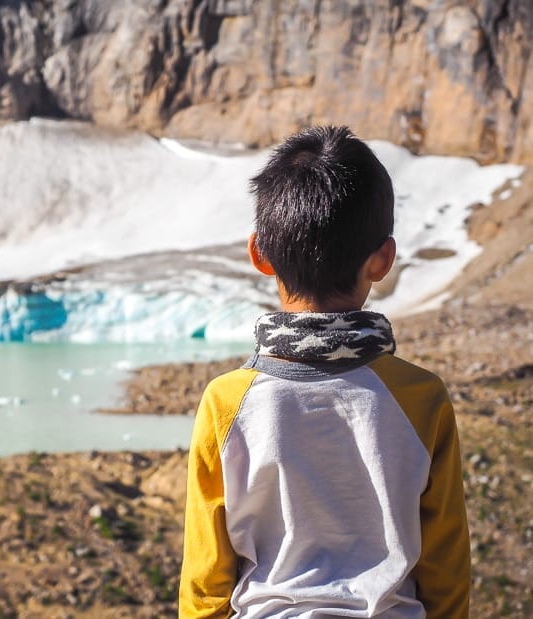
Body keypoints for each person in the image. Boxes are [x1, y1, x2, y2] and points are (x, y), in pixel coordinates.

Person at [178, 126, 470, 618]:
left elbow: (206, 582)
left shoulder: (226, 403)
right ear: (382, 260)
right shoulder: (422, 398)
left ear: (260, 255)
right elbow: (446, 572)